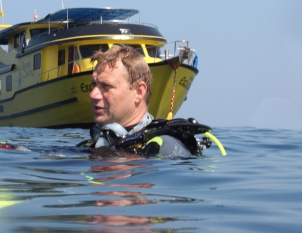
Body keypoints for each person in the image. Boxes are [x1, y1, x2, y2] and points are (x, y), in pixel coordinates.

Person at [81, 44, 212, 157]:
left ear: (139, 92)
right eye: (94, 85)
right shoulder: (92, 144)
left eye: (106, 86)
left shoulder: (165, 148)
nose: (93, 95)